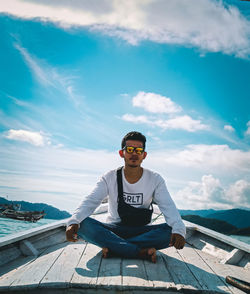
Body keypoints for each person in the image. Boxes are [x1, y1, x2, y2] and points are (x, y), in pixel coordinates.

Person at [66, 131, 185, 263]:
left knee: (170, 230)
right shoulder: (109, 177)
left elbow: (168, 206)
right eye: (129, 149)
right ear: (122, 153)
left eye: (138, 150)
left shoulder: (155, 179)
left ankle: (116, 248)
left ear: (144, 155)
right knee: (83, 224)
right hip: (114, 230)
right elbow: (91, 200)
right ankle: (138, 251)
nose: (134, 153)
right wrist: (73, 221)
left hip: (143, 231)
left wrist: (179, 230)